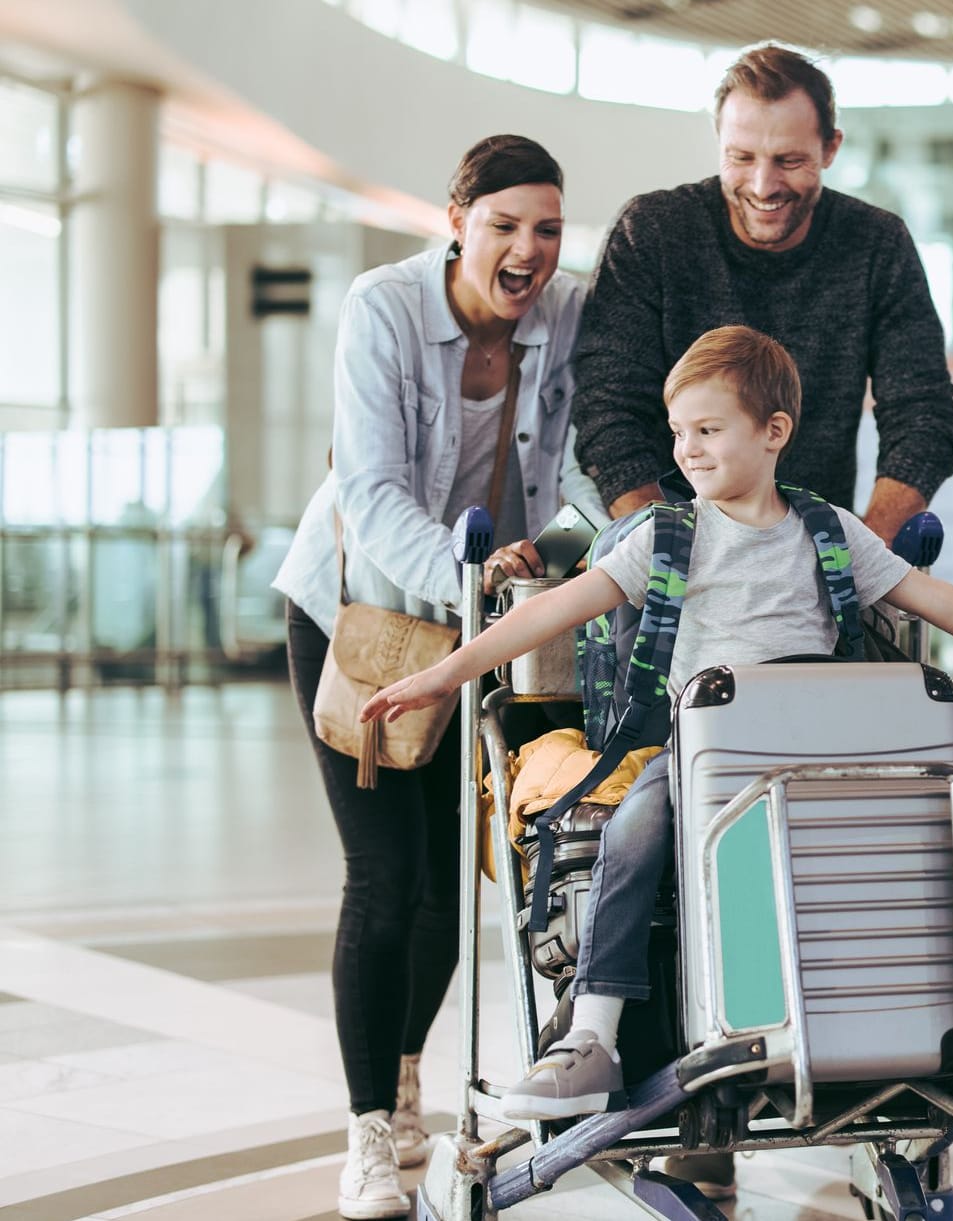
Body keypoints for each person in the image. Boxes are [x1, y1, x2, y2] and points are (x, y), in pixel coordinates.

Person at [361, 328, 953, 1197]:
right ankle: (591, 1031)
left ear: (774, 431)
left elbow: (922, 592)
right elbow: (561, 605)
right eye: (680, 432)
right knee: (634, 826)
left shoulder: (827, 531)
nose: (687, 448)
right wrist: (448, 669)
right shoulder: (664, 538)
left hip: (826, 742)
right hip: (711, 747)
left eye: (709, 429)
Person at [272, 135, 605, 1221]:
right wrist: (472, 570)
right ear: (456, 218)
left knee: (446, 896)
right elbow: (368, 493)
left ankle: (407, 1076)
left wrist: (570, 556)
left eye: (547, 228)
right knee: (383, 877)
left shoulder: (566, 316)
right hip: (358, 618)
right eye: (505, 224)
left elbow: (576, 467)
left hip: (473, 628)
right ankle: (371, 1134)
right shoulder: (383, 307)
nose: (528, 250)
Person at [570, 43, 953, 544]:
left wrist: (862, 555)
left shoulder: (877, 245)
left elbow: (923, 412)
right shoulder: (652, 232)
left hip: (820, 563)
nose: (763, 184)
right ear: (718, 141)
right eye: (742, 157)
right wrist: (675, 549)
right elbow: (607, 410)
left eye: (789, 160)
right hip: (666, 560)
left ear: (830, 148)